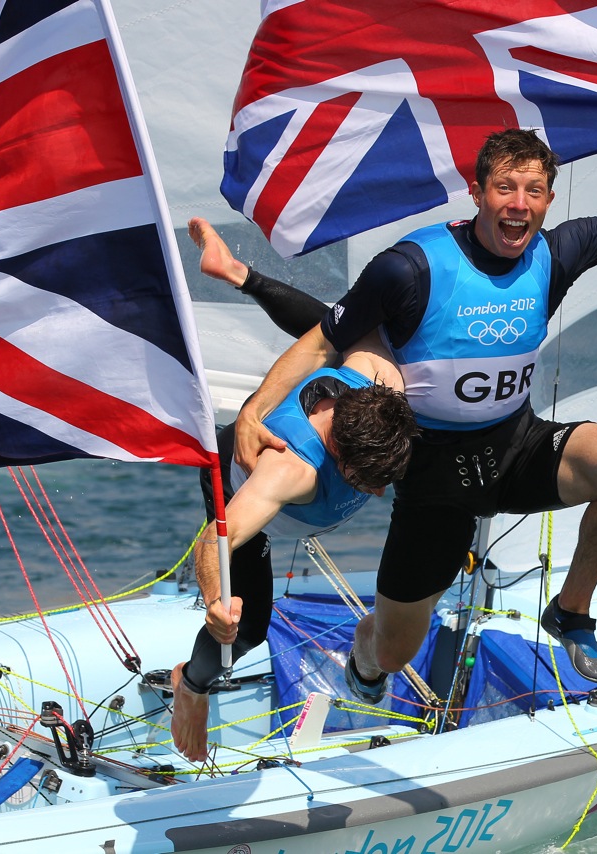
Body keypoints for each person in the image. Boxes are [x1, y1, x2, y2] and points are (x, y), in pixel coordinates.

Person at [232, 76, 597, 698]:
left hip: (514, 448)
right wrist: (253, 411)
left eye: (533, 190)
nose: (518, 203)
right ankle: (364, 663)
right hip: (430, 479)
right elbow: (322, 338)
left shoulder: (557, 255)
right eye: (504, 187)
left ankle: (571, 612)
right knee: (396, 650)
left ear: (548, 199)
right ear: (477, 193)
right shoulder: (410, 267)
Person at [170, 219, 418, 763]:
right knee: (247, 627)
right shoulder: (291, 470)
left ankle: (236, 271)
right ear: (336, 453)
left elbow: (335, 322)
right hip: (235, 479)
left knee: (345, 329)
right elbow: (214, 542)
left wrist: (244, 278)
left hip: (328, 398)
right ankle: (190, 687)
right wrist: (215, 602)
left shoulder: (382, 381)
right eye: (363, 483)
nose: (373, 497)